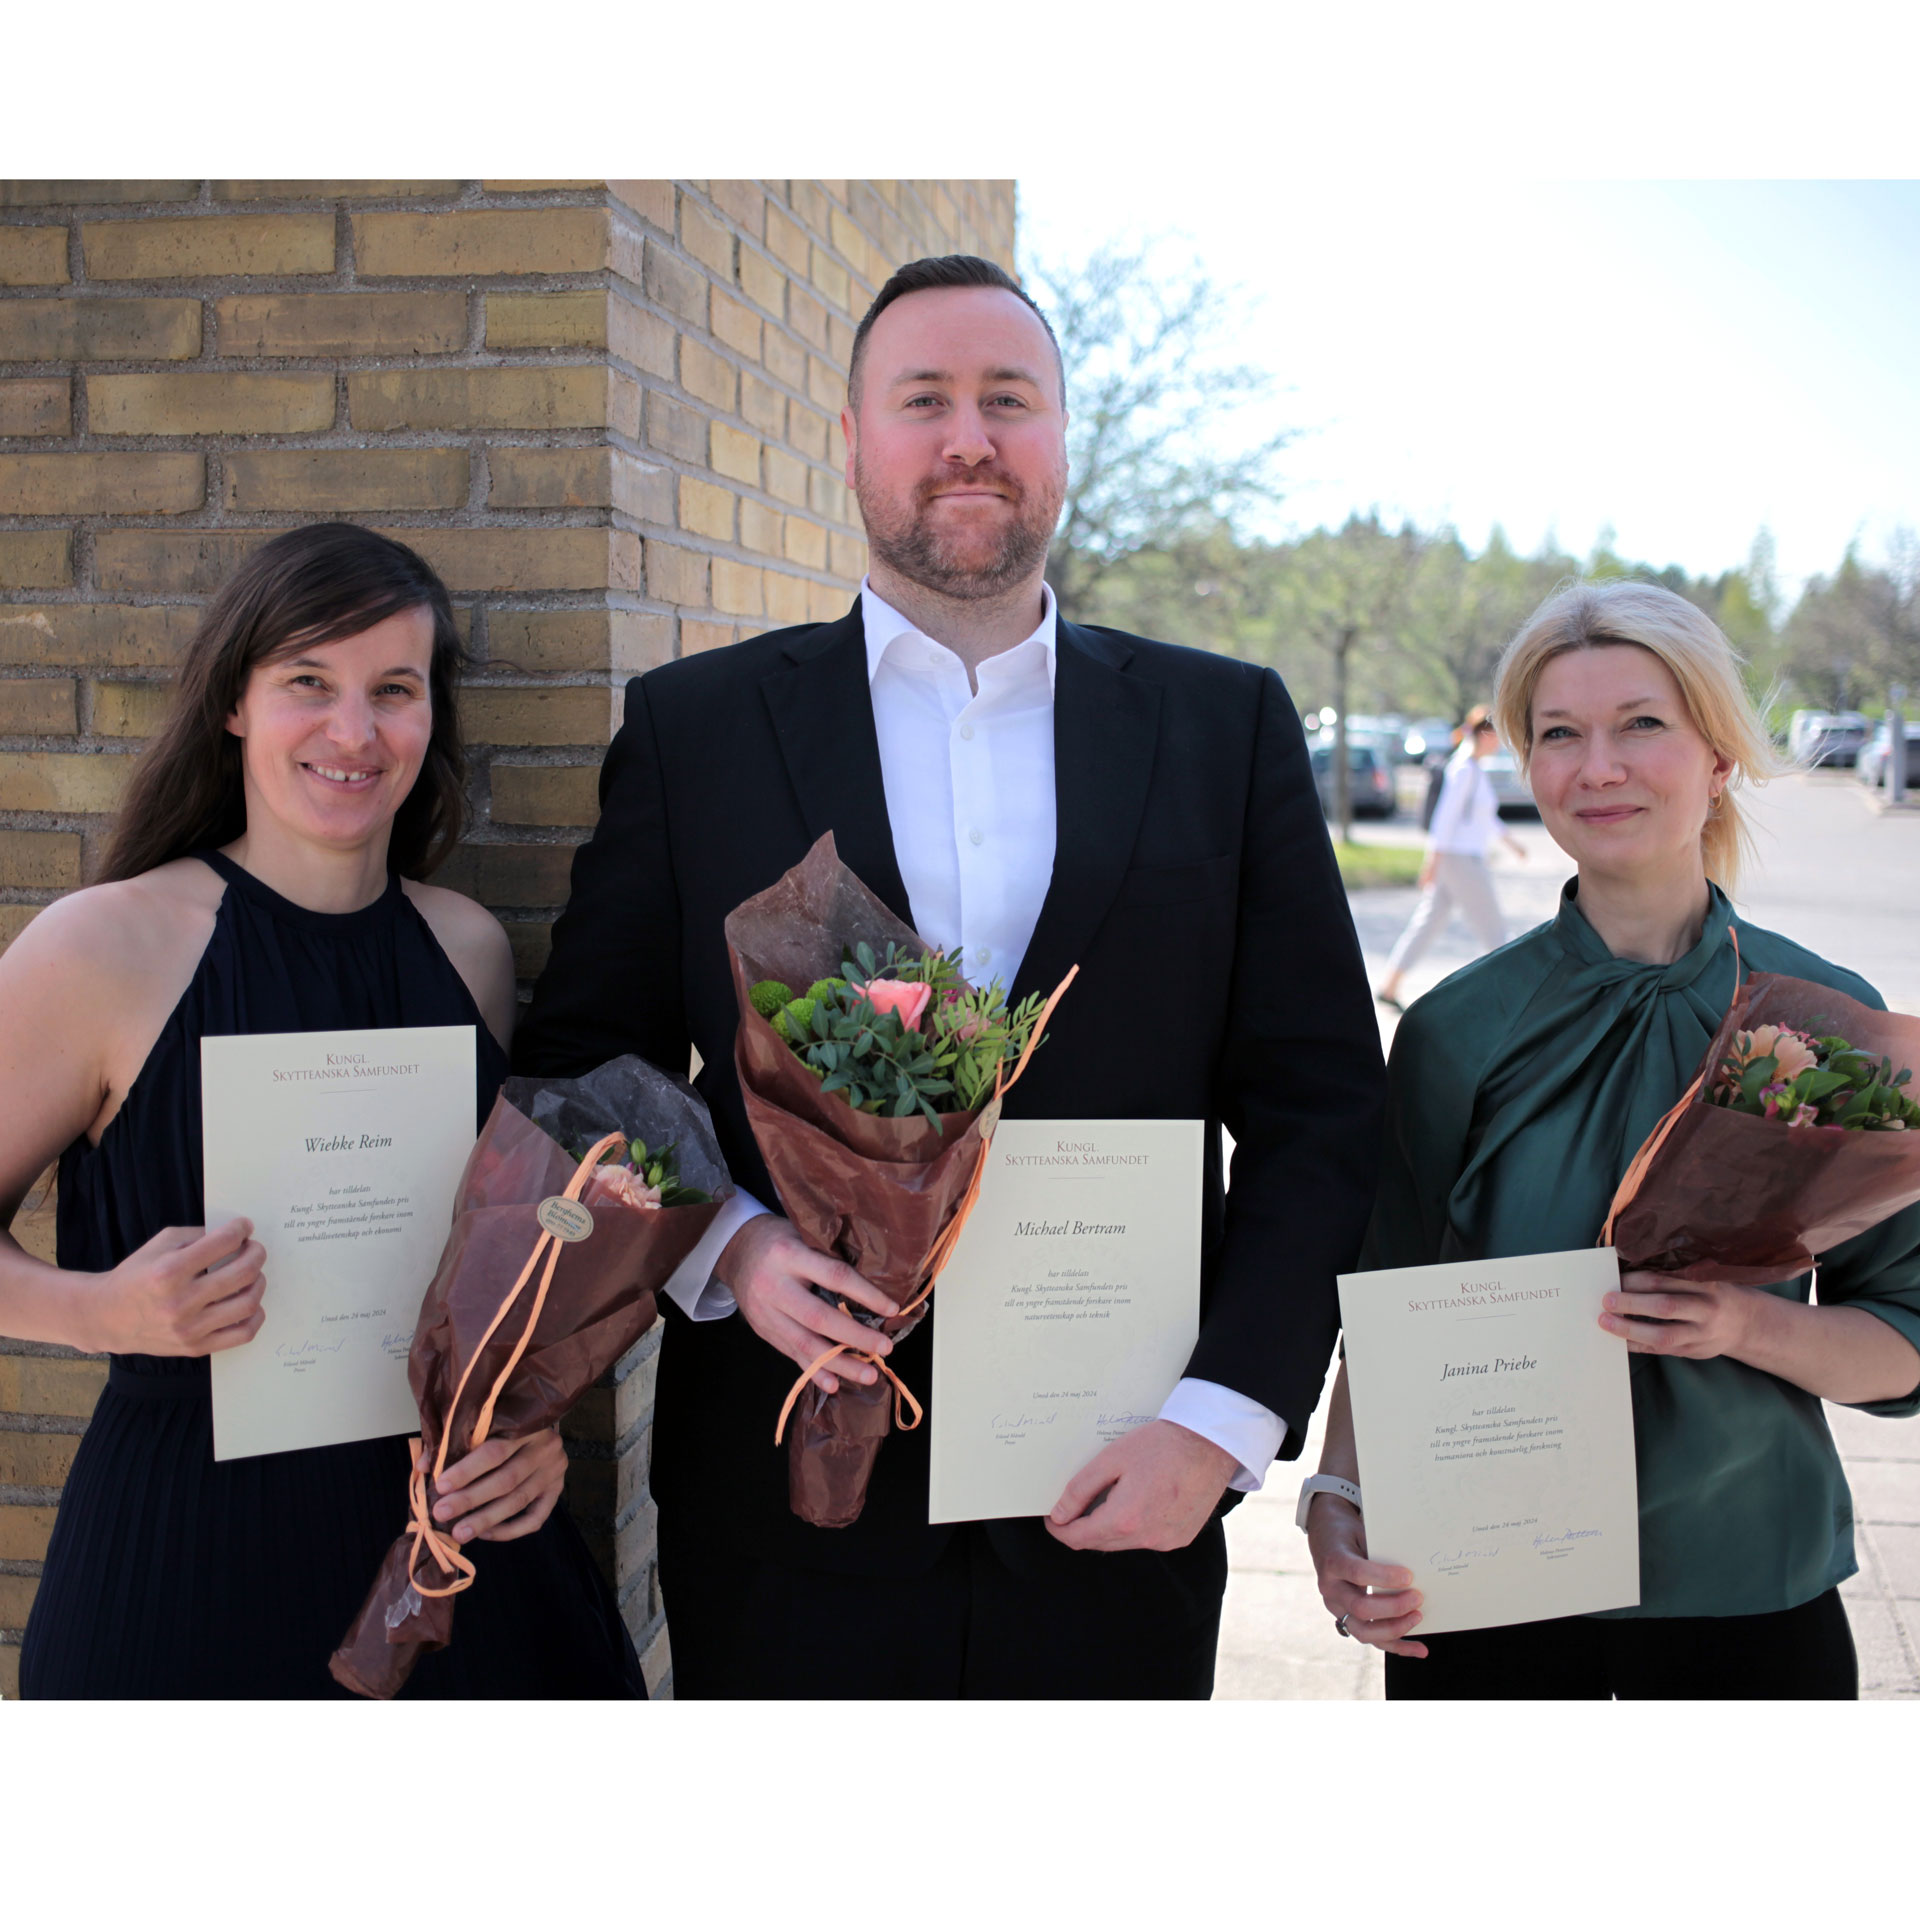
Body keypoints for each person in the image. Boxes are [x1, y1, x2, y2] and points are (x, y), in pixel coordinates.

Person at [514, 254, 1387, 1699]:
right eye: (923, 399)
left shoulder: (1221, 726)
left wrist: (1223, 1420)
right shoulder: (699, 730)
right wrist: (724, 1246)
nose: (968, 436)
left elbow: (1324, 1110)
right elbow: (576, 1070)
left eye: (1008, 399)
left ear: (1060, 440)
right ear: (851, 440)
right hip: (785, 1503)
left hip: (1121, 1492)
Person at [1, 523, 644, 1698]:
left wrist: (530, 1440)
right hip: (190, 1553)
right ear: (234, 705)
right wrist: (100, 1309)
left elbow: (496, 1278)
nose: (354, 732)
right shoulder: (103, 948)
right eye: (308, 683)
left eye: (393, 691)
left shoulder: (469, 950)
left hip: (453, 1552)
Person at [1305, 579, 1920, 1699]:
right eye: (1559, 735)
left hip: (1751, 1591)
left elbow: (1906, 1343)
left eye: (1642, 724)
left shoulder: (1827, 1020)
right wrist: (1334, 1504)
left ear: (1719, 755)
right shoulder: (1455, 1029)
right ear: (1527, 768)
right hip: (1483, 1594)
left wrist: (1742, 1324)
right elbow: (1386, 1306)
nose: (1599, 767)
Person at [1375, 704, 1526, 1012]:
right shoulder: (1464, 770)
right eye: (1497, 735)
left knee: (1429, 923)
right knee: (1493, 928)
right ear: (1484, 735)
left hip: (1460, 859)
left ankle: (1389, 986)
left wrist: (1511, 843)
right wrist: (1433, 862)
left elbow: (1484, 819)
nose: (1499, 742)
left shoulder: (1472, 770)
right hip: (1460, 860)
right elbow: (1445, 820)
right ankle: (1514, 998)